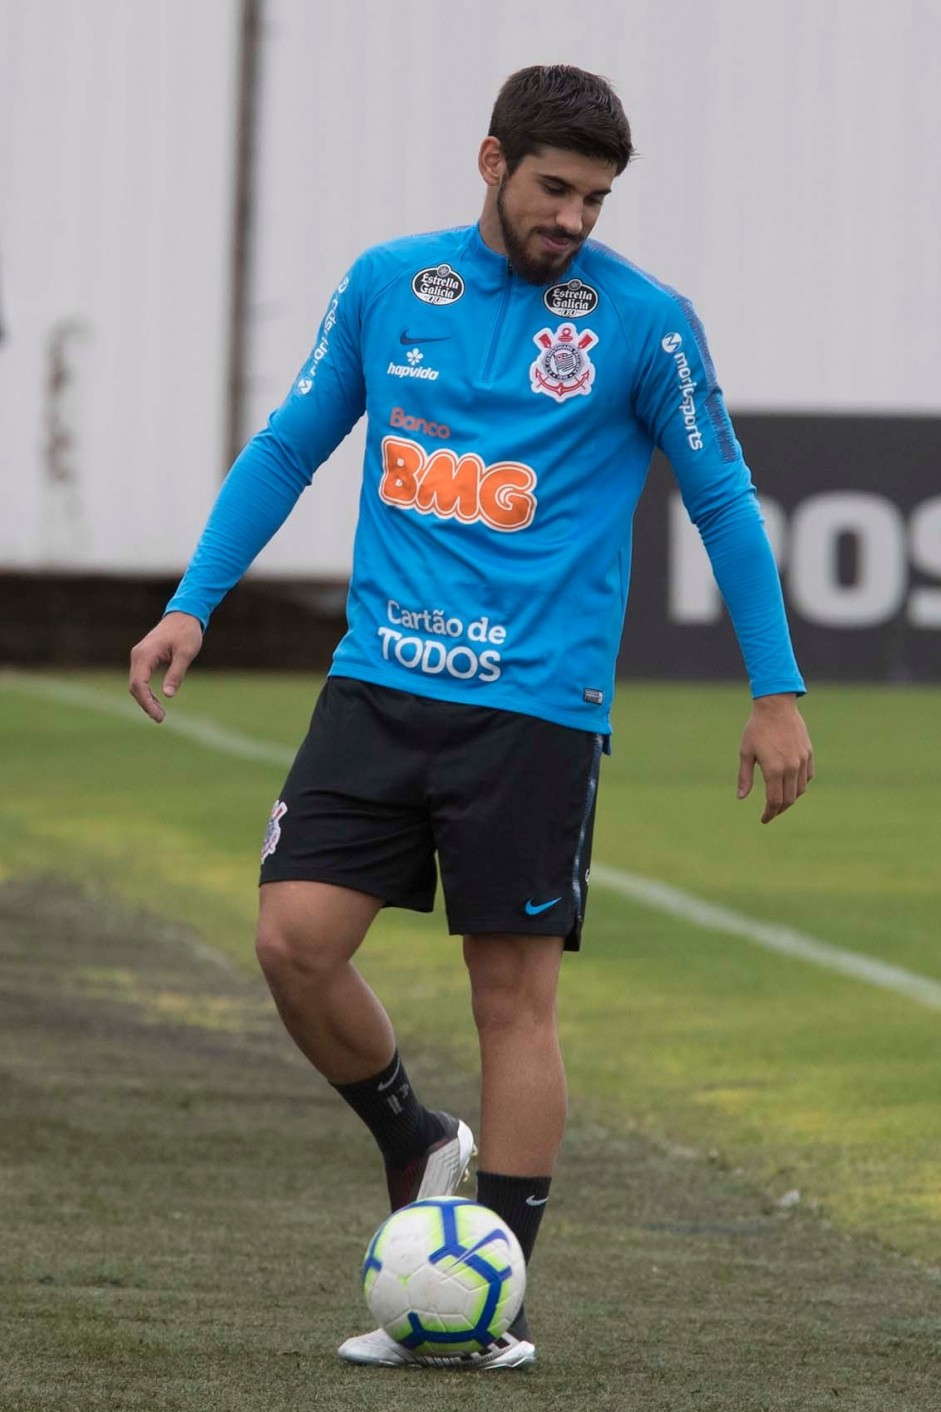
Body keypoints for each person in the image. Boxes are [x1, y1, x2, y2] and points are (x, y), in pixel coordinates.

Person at [129, 64, 813, 1369]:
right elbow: (289, 444)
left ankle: (483, 1309)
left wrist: (774, 689)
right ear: (490, 158)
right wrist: (193, 605)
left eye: (595, 199)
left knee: (511, 1000)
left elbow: (721, 498)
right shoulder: (391, 282)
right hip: (379, 680)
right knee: (292, 940)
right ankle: (410, 1137)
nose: (571, 218)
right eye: (553, 188)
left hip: (534, 708)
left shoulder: (645, 324)